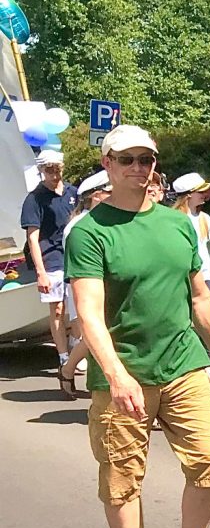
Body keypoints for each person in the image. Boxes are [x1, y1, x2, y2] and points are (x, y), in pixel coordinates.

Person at [64, 125, 210, 528]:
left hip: (183, 364)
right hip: (123, 373)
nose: (138, 168)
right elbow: (89, 313)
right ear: (108, 165)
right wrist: (116, 373)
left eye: (146, 160)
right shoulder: (90, 232)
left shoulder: (178, 225)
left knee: (209, 462)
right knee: (122, 476)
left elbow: (200, 296)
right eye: (127, 160)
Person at [20, 148, 80, 369]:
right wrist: (40, 272)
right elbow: (33, 238)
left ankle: (76, 345)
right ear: (42, 171)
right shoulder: (35, 199)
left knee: (79, 307)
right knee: (57, 309)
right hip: (51, 259)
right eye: (50, 170)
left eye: (58, 170)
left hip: (74, 257)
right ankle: (63, 355)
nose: (55, 175)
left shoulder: (73, 192)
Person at [55, 170, 112, 397]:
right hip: (85, 287)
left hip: (110, 286)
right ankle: (70, 369)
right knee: (95, 333)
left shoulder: (108, 220)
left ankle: (69, 369)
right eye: (108, 191)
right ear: (95, 195)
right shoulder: (78, 226)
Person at [172, 173, 210, 292]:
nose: (205, 195)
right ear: (189, 195)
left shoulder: (205, 218)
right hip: (183, 277)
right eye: (201, 192)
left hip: (206, 276)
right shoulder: (173, 218)